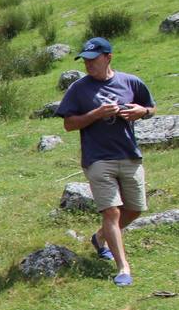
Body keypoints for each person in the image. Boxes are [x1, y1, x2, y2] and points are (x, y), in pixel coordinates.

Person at [58, 36, 157, 287]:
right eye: (85, 60)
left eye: (93, 59)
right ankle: (123, 267)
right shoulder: (78, 89)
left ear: (108, 57)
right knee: (111, 211)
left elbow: (151, 108)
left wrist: (141, 112)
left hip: (129, 154)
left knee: (135, 209)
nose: (88, 65)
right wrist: (96, 114)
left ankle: (100, 237)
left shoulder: (131, 81)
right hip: (97, 158)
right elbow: (69, 124)